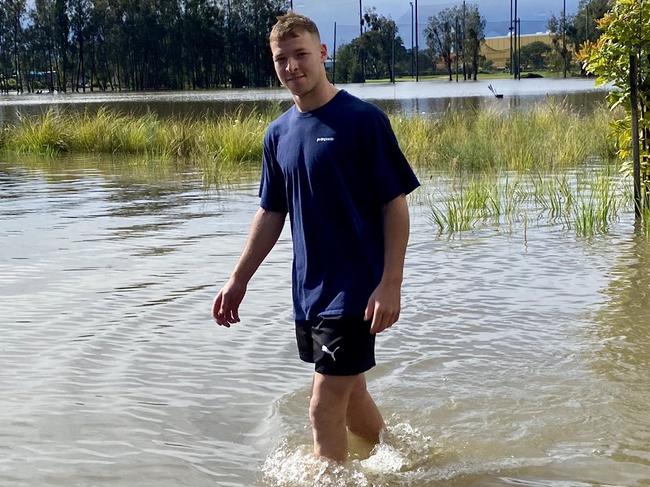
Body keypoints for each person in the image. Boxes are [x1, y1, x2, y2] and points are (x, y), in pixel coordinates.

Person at [212, 12, 420, 463]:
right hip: (310, 293)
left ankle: (329, 476)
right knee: (352, 395)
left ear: (323, 53)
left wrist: (391, 283)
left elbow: (395, 204)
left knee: (322, 405)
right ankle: (410, 462)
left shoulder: (363, 121)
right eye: (281, 59)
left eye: (301, 54)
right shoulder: (278, 134)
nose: (292, 67)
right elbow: (270, 213)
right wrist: (238, 279)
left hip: (357, 292)